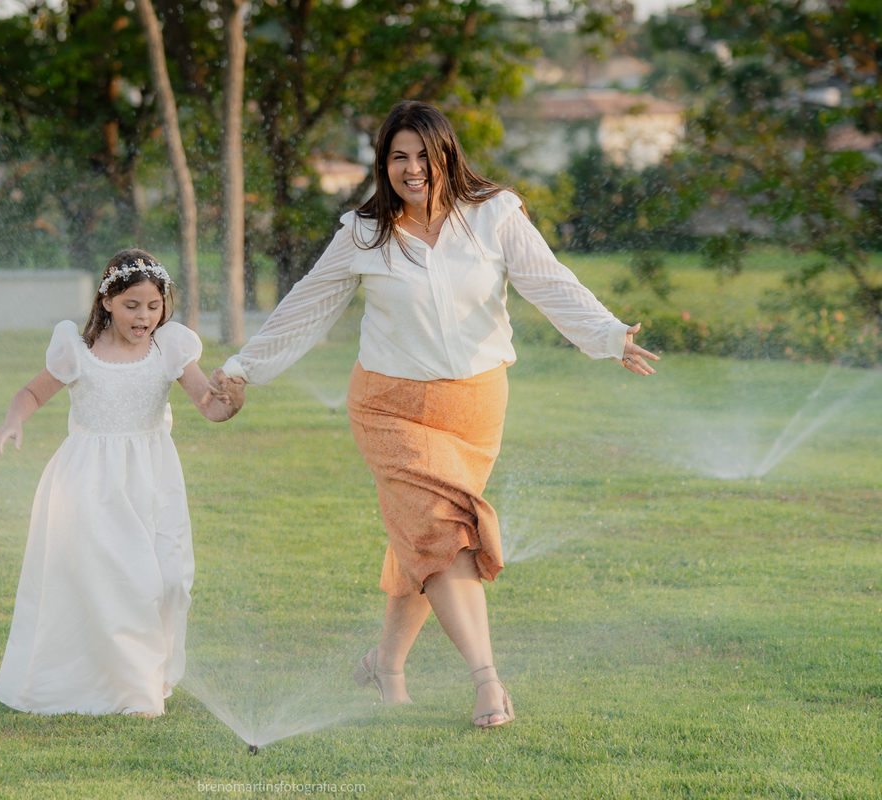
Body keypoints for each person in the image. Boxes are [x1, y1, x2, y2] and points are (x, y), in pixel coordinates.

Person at [209, 101, 658, 729]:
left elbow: (549, 282)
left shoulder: (494, 214)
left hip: (476, 408)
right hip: (388, 408)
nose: (412, 168)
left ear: (447, 156)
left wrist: (609, 336)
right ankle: (487, 681)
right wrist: (241, 369)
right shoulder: (363, 233)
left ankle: (386, 665)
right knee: (446, 535)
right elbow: (306, 306)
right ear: (383, 164)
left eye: (424, 155)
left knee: (423, 538)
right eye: (399, 157)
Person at [0, 249, 243, 718]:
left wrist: (230, 402)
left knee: (170, 580)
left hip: (154, 479)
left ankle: (148, 672)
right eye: (131, 305)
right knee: (123, 584)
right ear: (107, 302)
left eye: (153, 306)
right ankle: (136, 691)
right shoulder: (79, 352)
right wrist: (12, 421)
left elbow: (209, 406)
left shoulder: (169, 348)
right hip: (90, 483)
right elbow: (32, 392)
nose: (143, 316)